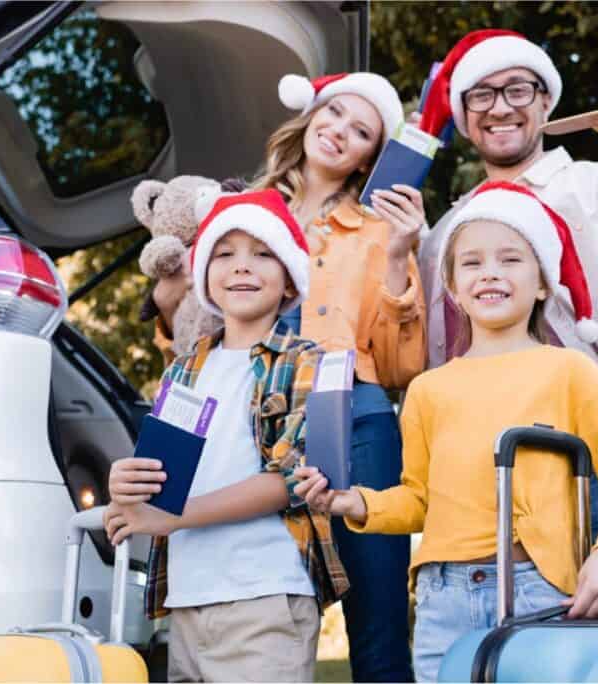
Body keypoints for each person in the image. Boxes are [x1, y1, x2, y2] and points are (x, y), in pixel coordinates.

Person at [296, 181, 598, 681]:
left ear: (542, 283)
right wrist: (356, 503)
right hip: (441, 600)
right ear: (452, 288)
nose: (489, 272)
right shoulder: (428, 390)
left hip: (539, 588)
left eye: (510, 259)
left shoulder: (570, 372)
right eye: (471, 263)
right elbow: (419, 501)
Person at [415, 28, 598, 621]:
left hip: (590, 467)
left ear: (546, 101)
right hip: (481, 483)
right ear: (464, 115)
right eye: (481, 95)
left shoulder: (596, 186)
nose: (500, 106)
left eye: (517, 89)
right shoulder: (447, 231)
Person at [151, 71, 426, 682]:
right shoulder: (237, 208)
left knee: (377, 623)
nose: (339, 133)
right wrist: (171, 300)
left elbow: (406, 363)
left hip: (354, 417)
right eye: (334, 114)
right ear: (309, 116)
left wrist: (403, 256)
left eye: (362, 132)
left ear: (368, 161)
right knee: (246, 588)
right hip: (250, 418)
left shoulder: (381, 231)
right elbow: (191, 341)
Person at [103, 189, 348, 682]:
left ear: (288, 283)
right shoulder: (183, 370)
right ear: (205, 277)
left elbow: (292, 481)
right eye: (225, 253)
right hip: (188, 599)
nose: (242, 267)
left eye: (262, 254)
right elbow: (161, 480)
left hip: (264, 595)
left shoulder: (307, 363)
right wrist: (127, 487)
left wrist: (171, 518)